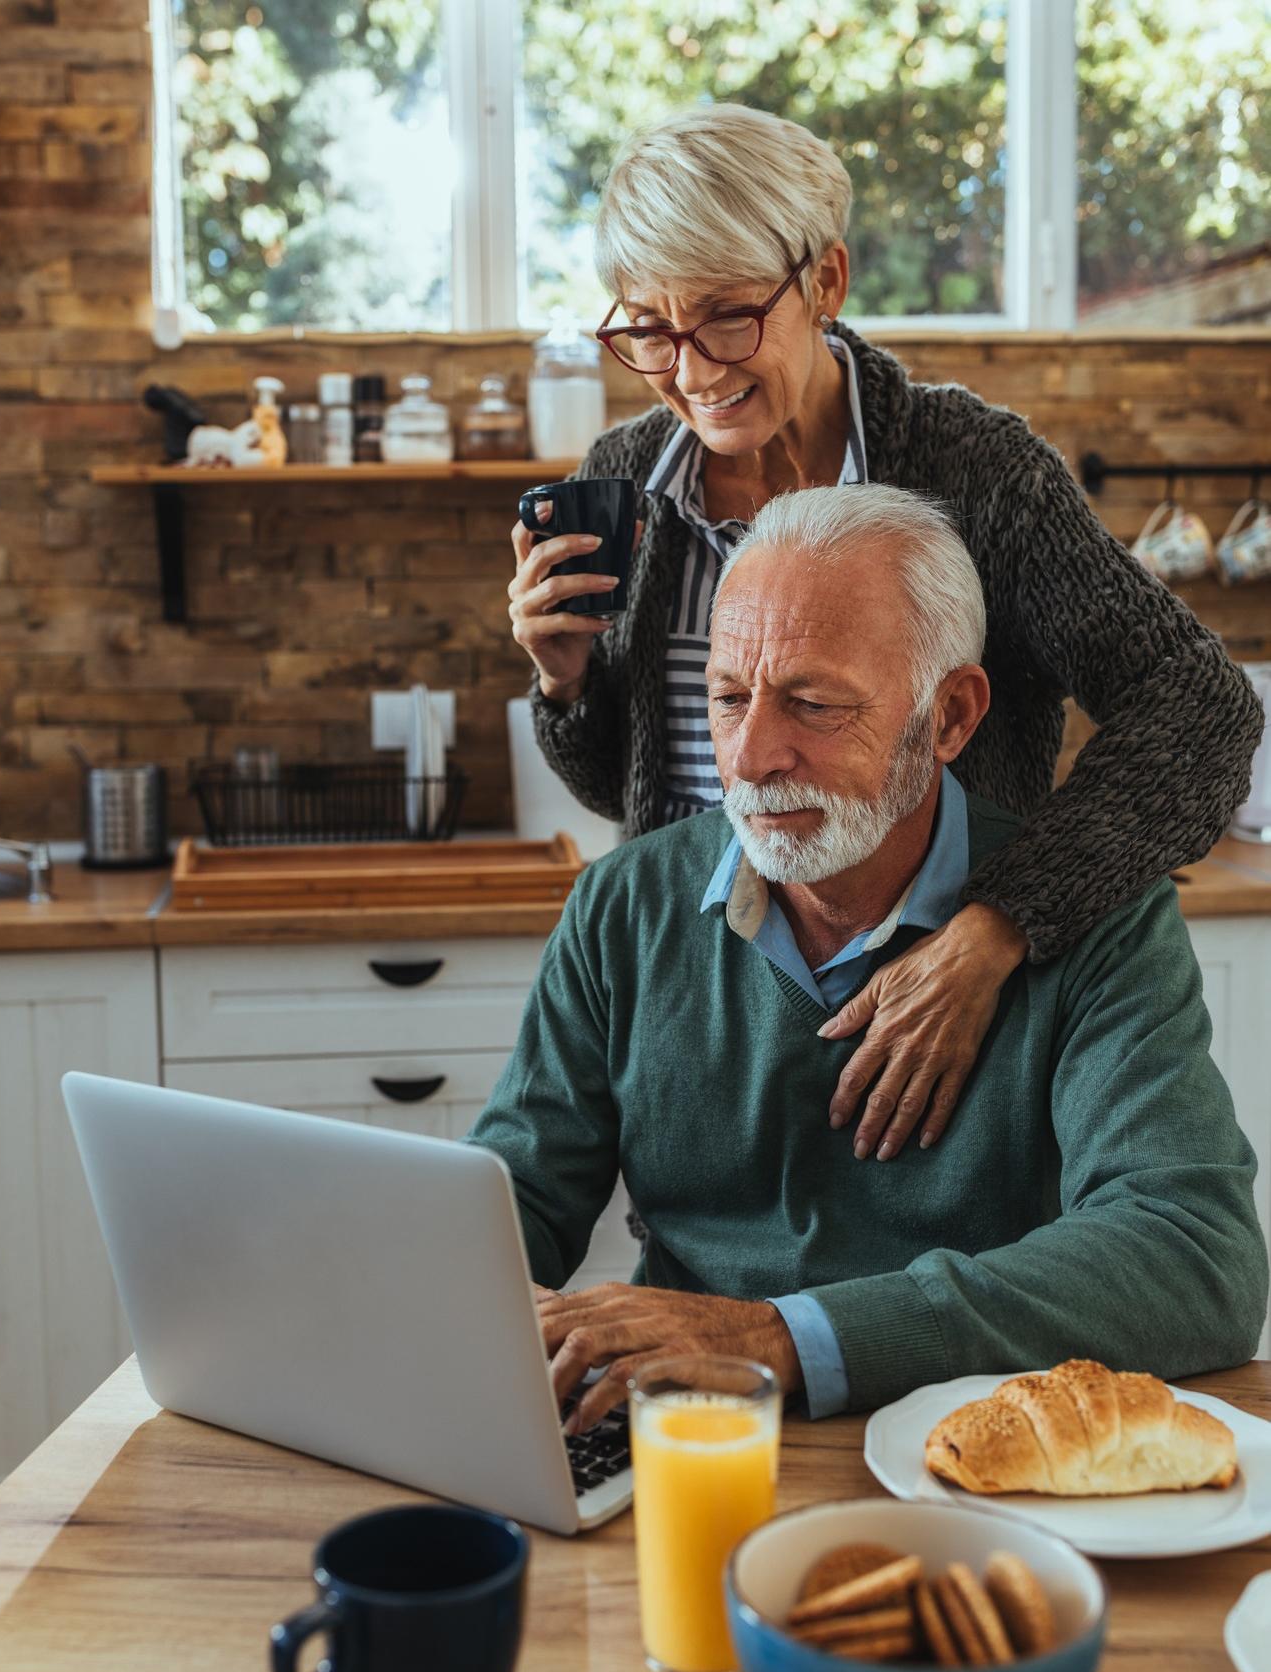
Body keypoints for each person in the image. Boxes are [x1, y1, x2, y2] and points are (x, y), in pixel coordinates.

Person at [507, 103, 1264, 1168]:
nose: (690, 368)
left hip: (943, 1028)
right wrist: (567, 682)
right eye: (647, 326)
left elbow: (1203, 710)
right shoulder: (629, 473)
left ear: (824, 281)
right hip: (718, 1036)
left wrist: (999, 926)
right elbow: (659, 789)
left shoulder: (979, 474)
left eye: (728, 316)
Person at [476, 484, 1268, 1429]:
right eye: (729, 699)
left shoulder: (1102, 923)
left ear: (949, 718)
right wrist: (466, 1288)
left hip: (980, 1466)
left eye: (813, 704)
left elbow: (1195, 1259)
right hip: (689, 1442)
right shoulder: (624, 904)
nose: (755, 755)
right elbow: (512, 1196)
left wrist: (780, 1337)